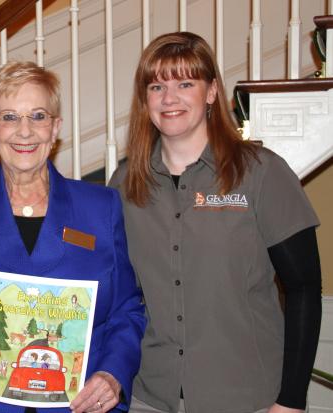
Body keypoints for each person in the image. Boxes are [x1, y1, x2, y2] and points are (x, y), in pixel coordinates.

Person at [109, 32, 321, 413]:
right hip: (149, 396)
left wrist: (291, 400)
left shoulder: (261, 173)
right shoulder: (125, 183)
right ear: (145, 99)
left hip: (247, 397)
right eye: (156, 86)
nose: (169, 98)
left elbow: (304, 288)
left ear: (211, 92)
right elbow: (114, 292)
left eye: (185, 83)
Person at [0, 61, 145, 413]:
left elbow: (127, 311)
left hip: (80, 406)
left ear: (55, 129)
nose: (24, 131)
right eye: (8, 117)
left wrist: (114, 374)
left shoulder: (101, 207)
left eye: (38, 116)